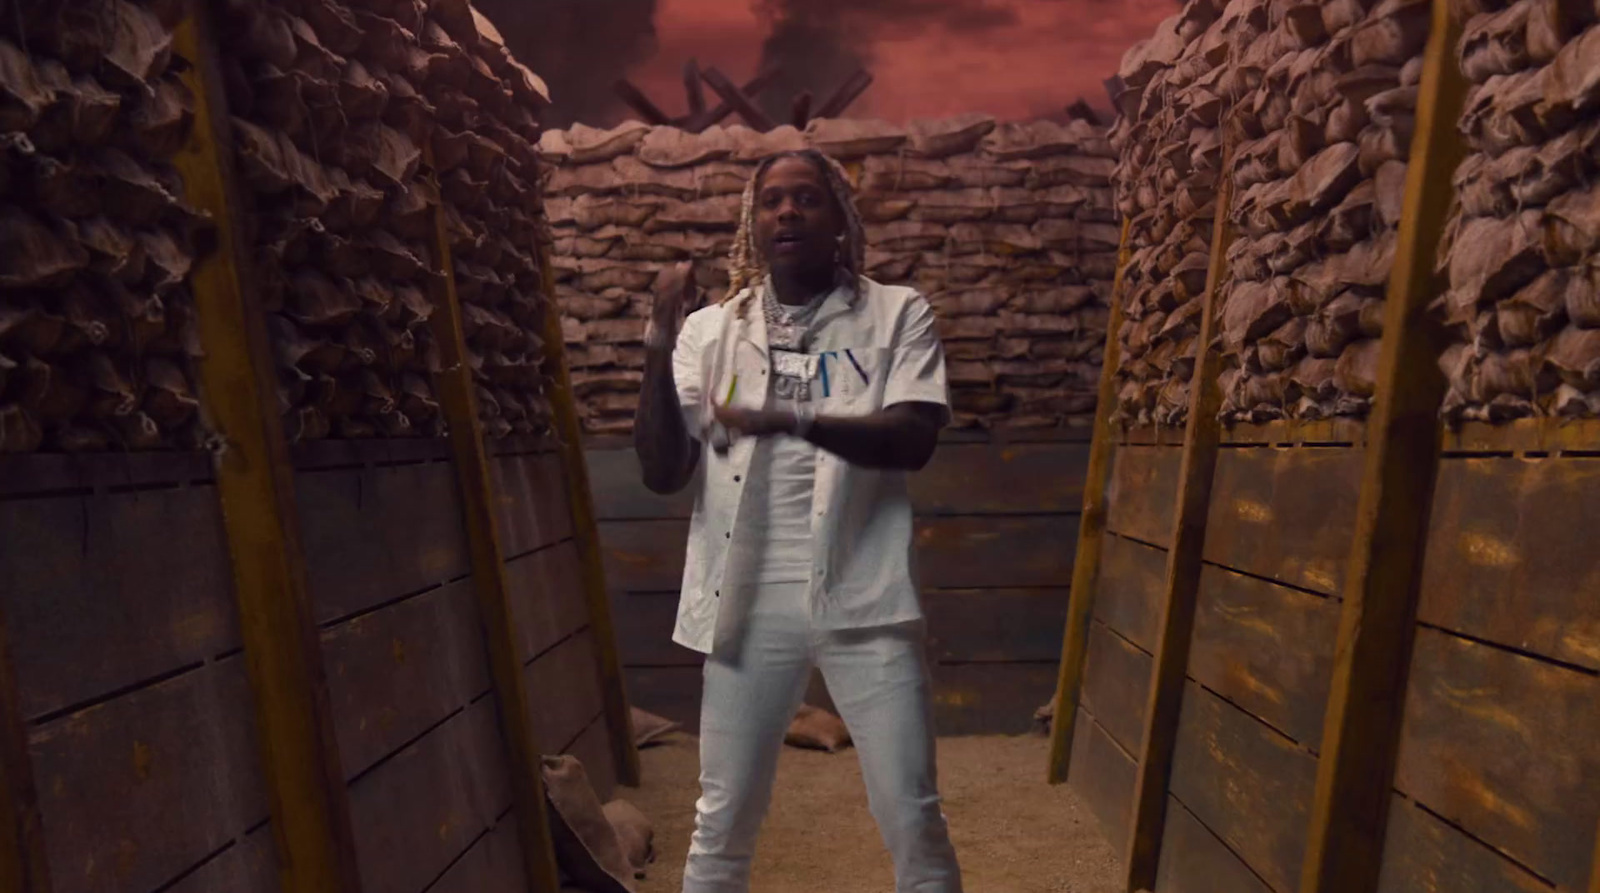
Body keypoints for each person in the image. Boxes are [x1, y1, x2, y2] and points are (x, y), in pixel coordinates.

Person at [632, 148, 964, 893]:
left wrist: (793, 418)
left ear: (841, 220)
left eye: (807, 199)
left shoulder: (895, 312)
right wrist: (659, 332)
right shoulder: (712, 332)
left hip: (864, 595)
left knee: (912, 812)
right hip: (746, 605)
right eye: (772, 200)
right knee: (722, 821)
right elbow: (662, 470)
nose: (787, 212)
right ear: (752, 223)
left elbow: (913, 438)